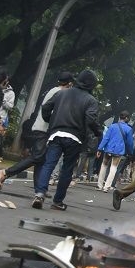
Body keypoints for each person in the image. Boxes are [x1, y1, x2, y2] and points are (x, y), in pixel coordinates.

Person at [32, 70, 101, 210]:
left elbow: (45, 108)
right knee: (66, 170)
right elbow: (91, 120)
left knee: (48, 164)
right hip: (75, 138)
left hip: (56, 134)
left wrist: (51, 121)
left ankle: (40, 193)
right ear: (91, 85)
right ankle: (57, 202)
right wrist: (98, 133)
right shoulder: (91, 100)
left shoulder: (61, 93)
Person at [0, 72, 72, 190]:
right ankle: (6, 172)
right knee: (37, 157)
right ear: (70, 83)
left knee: (41, 159)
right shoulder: (60, 93)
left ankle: (40, 188)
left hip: (41, 127)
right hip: (44, 129)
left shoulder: (53, 90)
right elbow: (52, 112)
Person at [96, 112, 134, 191]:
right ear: (126, 118)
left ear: (120, 117)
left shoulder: (112, 126)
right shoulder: (129, 129)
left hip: (108, 149)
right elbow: (130, 143)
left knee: (104, 166)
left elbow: (106, 138)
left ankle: (99, 185)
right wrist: (130, 153)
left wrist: (100, 148)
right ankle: (106, 187)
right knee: (113, 168)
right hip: (118, 151)